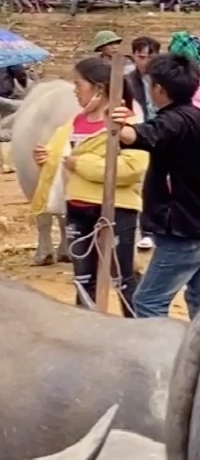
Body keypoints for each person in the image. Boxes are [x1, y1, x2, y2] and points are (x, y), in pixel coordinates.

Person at [110, 51, 200, 319]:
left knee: (148, 301)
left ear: (159, 89)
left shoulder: (173, 120)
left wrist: (119, 124)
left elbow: (142, 135)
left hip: (184, 230)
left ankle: (156, 360)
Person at [31, 56, 148, 313]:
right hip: (78, 209)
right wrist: (46, 158)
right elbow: (61, 159)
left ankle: (136, 331)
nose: (74, 91)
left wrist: (80, 164)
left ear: (99, 88)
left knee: (123, 278)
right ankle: (87, 331)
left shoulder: (127, 122)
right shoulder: (73, 123)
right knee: (84, 279)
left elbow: (131, 168)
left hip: (116, 210)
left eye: (78, 84)